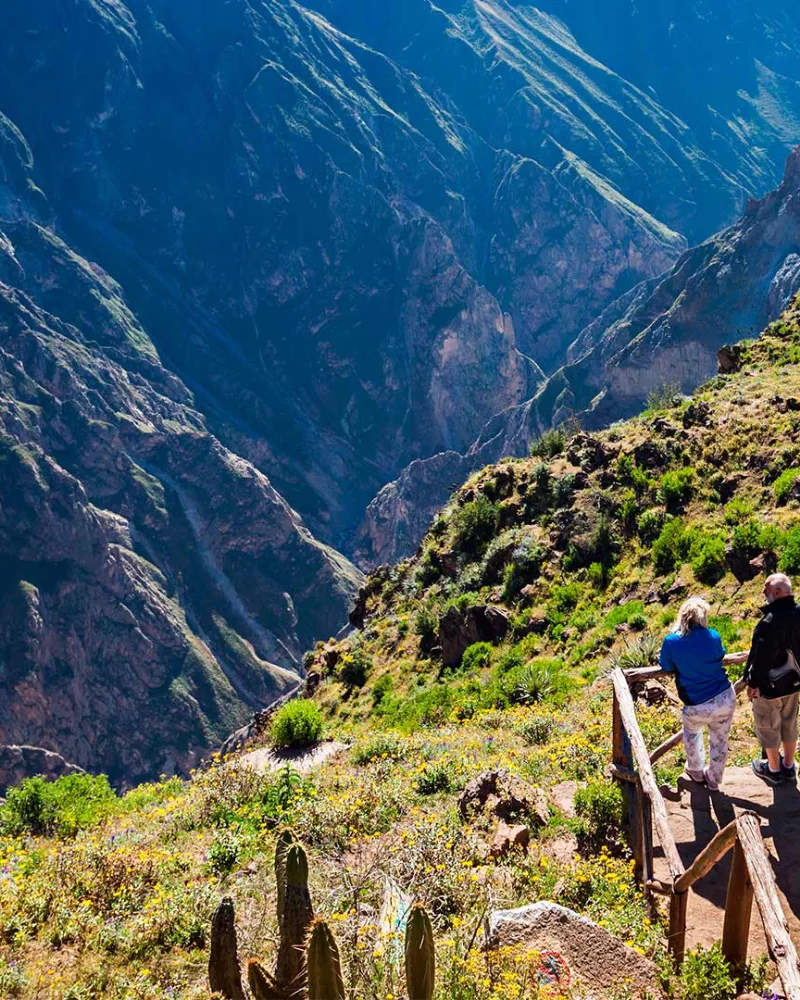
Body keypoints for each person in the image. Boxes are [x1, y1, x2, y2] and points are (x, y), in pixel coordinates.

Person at [659, 597, 736, 792]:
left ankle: (696, 770)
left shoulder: (671, 641)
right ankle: (714, 779)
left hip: (696, 702)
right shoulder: (713, 636)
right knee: (720, 740)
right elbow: (720, 654)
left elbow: (666, 666)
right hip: (724, 696)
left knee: (692, 734)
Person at [744, 573, 800, 785]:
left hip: (770, 686)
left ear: (776, 592)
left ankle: (773, 770)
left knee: (767, 725)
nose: (763, 593)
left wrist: (753, 683)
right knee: (790, 722)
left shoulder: (770, 621)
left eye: (766, 589)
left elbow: (761, 658)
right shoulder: (798, 613)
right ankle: (788, 765)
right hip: (794, 681)